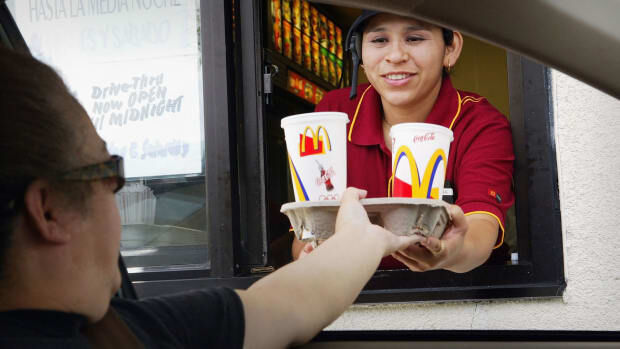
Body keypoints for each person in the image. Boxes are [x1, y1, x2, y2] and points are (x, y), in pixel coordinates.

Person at [0, 48, 426, 348]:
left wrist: (363, 236)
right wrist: (367, 233)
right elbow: (287, 307)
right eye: (111, 174)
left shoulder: (118, 327)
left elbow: (295, 298)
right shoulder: (133, 333)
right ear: (49, 210)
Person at [292, 10, 515, 273]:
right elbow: (306, 234)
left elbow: (480, 231)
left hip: (460, 299)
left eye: (415, 38)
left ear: (451, 48)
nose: (396, 56)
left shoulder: (481, 123)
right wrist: (310, 261)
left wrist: (450, 253)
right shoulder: (334, 114)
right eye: (379, 40)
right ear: (358, 53)